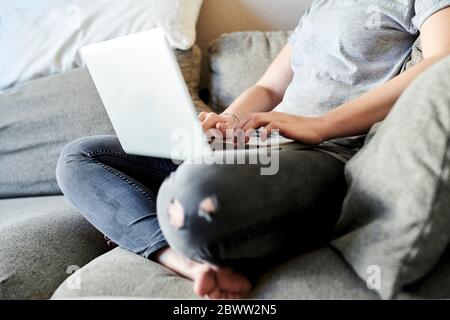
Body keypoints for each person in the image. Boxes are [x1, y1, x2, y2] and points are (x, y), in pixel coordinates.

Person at [56, 1, 450, 299]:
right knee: (81, 157)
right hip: (255, 145)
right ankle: (183, 261)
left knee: (194, 198)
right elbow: (268, 90)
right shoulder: (322, 4)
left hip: (321, 153)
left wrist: (320, 126)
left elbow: (441, 60)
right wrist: (223, 123)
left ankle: (147, 216)